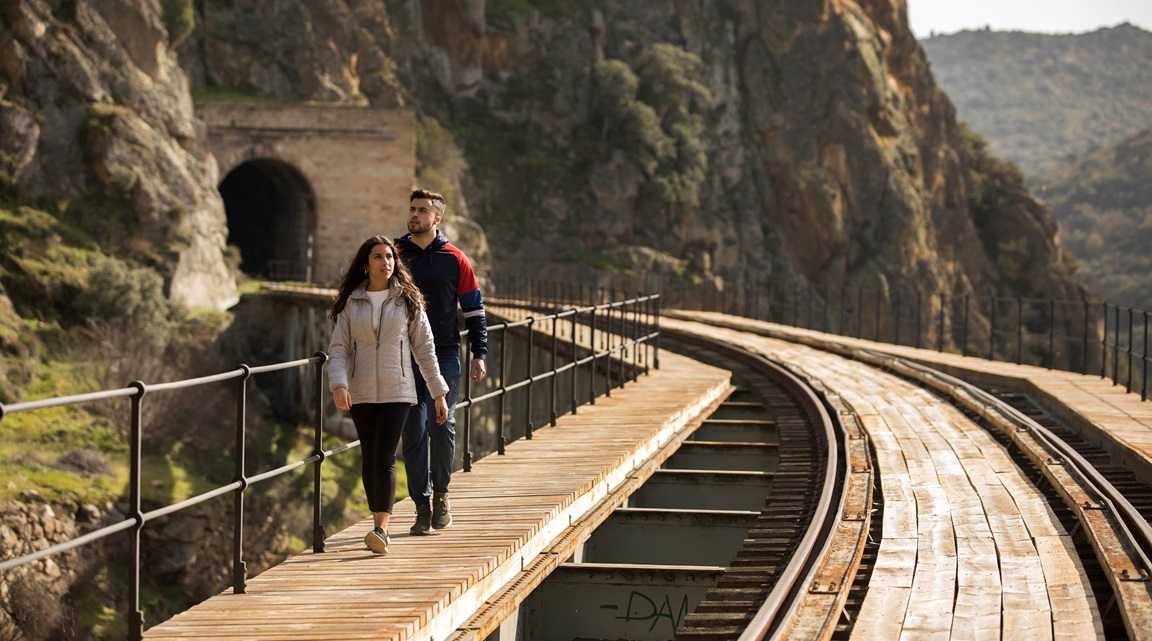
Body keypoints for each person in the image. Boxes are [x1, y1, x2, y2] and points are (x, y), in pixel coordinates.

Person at [327, 235, 450, 555]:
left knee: (384, 455)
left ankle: (380, 528)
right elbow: (338, 349)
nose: (386, 262)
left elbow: (425, 349)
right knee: (369, 456)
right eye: (378, 257)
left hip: (399, 388)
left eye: (390, 257)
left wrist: (438, 392)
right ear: (365, 264)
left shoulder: (408, 300)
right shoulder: (351, 303)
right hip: (362, 389)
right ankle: (377, 523)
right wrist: (338, 384)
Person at [396, 188, 488, 535]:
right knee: (413, 430)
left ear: (437, 218)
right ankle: (421, 505)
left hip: (445, 354)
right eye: (412, 209)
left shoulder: (455, 258)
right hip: (403, 356)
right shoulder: (395, 255)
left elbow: (475, 310)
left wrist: (479, 353)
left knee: (442, 423)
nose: (414, 215)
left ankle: (442, 496)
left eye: (422, 210)